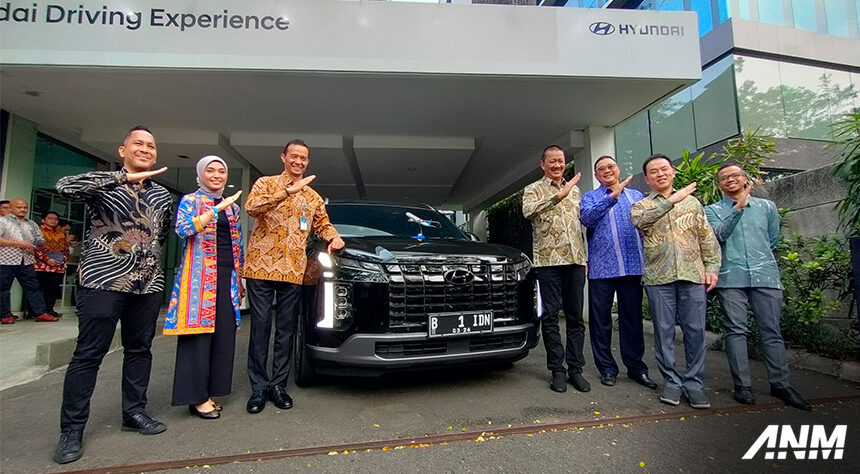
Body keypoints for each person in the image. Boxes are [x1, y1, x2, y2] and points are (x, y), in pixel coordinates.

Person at [53, 126, 173, 465]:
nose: (146, 149)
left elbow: (159, 235)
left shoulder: (162, 195)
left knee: (140, 350)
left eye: (151, 145)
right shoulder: (102, 185)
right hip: (102, 281)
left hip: (146, 285)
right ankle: (71, 429)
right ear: (122, 150)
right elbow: (65, 187)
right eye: (138, 143)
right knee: (89, 354)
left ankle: (134, 412)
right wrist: (119, 179)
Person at [243, 139, 344, 413]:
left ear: (307, 162)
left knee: (286, 330)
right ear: (283, 158)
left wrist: (334, 237)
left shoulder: (312, 197)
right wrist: (288, 191)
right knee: (261, 328)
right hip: (260, 267)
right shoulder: (265, 184)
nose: (299, 161)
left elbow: (323, 224)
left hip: (292, 269)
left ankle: (278, 386)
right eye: (294, 157)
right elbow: (252, 208)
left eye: (304, 158)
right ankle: (258, 388)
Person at [705, 163, 811, 411]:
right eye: (723, 178)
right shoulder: (711, 210)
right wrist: (739, 208)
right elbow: (718, 235)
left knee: (771, 330)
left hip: (765, 276)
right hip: (731, 278)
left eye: (735, 175)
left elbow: (773, 239)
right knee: (735, 330)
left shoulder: (767, 207)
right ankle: (743, 385)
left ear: (745, 179)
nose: (730, 180)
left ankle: (781, 384)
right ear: (719, 184)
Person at [631, 154, 721, 409]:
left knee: (695, 332)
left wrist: (712, 267)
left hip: (692, 275)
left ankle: (694, 384)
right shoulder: (642, 205)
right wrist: (671, 201)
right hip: (659, 278)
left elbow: (706, 237)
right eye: (653, 172)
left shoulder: (693, 204)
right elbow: (640, 222)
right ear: (647, 179)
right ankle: (671, 382)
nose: (660, 174)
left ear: (673, 172)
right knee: (664, 332)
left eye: (664, 169)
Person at [164, 156, 244, 419]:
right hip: (199, 276)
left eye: (221, 171)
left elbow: (237, 243)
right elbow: (182, 229)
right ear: (200, 174)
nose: (217, 175)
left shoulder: (231, 206)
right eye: (210, 170)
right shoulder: (190, 200)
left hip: (227, 276)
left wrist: (240, 277)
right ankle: (196, 397)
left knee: (223, 334)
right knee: (197, 336)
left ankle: (209, 391)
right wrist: (212, 213)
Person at [580, 155, 656, 389]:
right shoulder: (590, 197)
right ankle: (607, 368)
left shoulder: (636, 196)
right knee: (600, 320)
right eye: (601, 169)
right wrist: (611, 197)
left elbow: (649, 225)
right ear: (596, 175)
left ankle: (636, 368)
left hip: (632, 266)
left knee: (632, 319)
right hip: (601, 268)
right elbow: (587, 219)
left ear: (618, 169)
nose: (606, 171)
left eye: (610, 166)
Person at [522, 145, 590, 393]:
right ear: (543, 164)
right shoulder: (533, 190)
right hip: (548, 263)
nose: (558, 165)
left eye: (561, 161)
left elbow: (578, 227)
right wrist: (559, 195)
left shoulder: (576, 191)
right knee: (550, 317)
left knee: (575, 318)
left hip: (575, 261)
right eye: (552, 161)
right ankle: (557, 371)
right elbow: (528, 212)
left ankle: (575, 369)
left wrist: (584, 258)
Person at [0, 198, 57, 324]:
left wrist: (38, 242)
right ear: (11, 208)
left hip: (27, 260)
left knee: (33, 287)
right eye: (19, 207)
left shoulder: (31, 223)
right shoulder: (2, 221)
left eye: (25, 207)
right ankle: (4, 315)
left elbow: (40, 238)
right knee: (3, 288)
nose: (23, 210)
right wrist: (17, 243)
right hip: (6, 260)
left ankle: (41, 313)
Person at [34, 211, 70, 319]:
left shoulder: (61, 234)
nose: (53, 221)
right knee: (38, 289)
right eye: (50, 218)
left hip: (58, 267)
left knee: (52, 290)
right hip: (41, 266)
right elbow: (35, 248)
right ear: (43, 220)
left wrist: (64, 258)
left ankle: (50, 310)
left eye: (55, 219)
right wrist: (47, 259)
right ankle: (35, 311)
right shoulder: (38, 232)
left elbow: (66, 249)